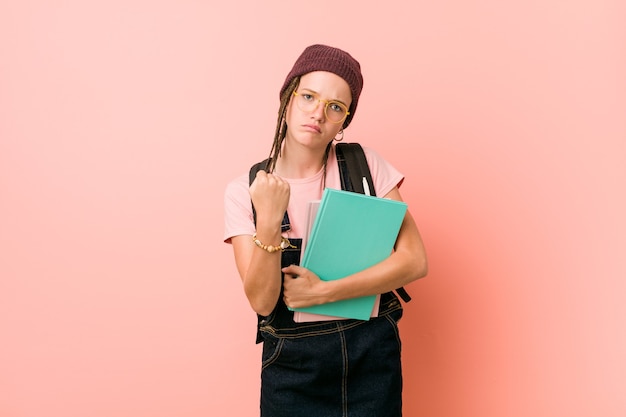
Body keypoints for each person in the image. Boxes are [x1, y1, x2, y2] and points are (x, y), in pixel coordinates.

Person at [223, 44, 428, 417]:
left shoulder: (366, 168)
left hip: (372, 359)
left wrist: (323, 292)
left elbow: (415, 261)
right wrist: (268, 221)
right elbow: (262, 302)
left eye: (335, 106)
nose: (318, 113)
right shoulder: (245, 190)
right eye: (308, 97)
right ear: (288, 100)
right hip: (292, 373)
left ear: (344, 121)